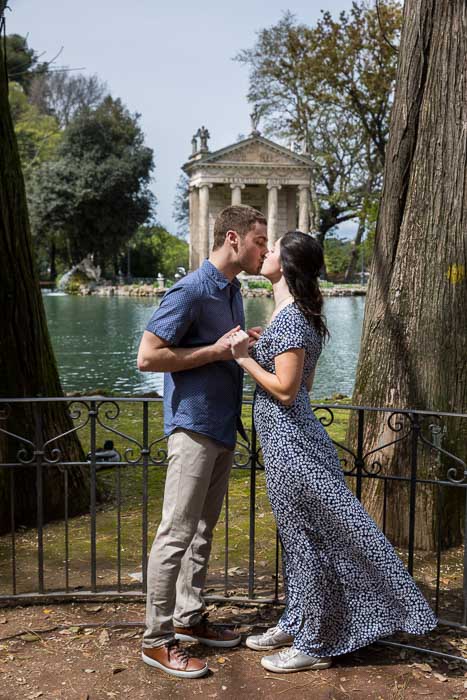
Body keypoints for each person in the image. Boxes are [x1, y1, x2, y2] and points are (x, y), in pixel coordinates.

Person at [228, 231, 437, 674]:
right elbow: (301, 384)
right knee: (300, 538)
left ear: (286, 265)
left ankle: (318, 642)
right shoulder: (292, 316)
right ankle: (299, 620)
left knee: (312, 541)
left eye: (273, 248)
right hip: (289, 442)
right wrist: (263, 348)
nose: (263, 252)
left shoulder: (293, 320)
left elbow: (287, 392)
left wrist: (245, 358)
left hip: (294, 444)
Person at [136, 205, 268, 679]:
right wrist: (216, 350)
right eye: (259, 241)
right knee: (175, 532)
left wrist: (242, 344)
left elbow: (223, 348)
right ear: (233, 239)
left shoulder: (232, 290)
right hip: (192, 426)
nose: (264, 250)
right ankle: (156, 638)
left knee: (201, 532)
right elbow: (147, 357)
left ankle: (190, 619)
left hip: (221, 425)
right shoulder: (191, 289)